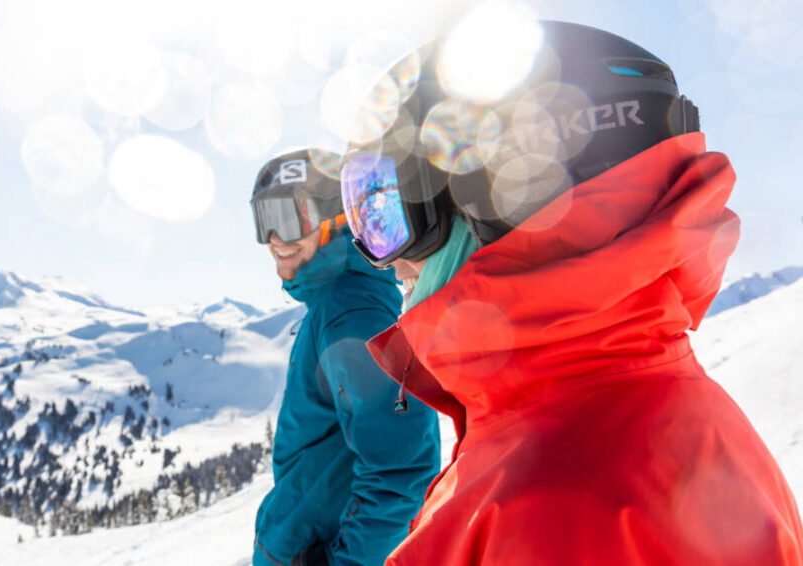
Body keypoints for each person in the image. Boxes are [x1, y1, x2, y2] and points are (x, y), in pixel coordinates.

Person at [338, 20, 803, 564]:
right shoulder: (610, 410)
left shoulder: (558, 499)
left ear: (498, 199)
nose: (388, 261)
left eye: (387, 212)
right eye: (364, 211)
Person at [250, 149, 441, 566]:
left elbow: (401, 473)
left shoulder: (350, 311)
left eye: (289, 217)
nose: (275, 239)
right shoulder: (334, 304)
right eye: (264, 221)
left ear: (336, 215)